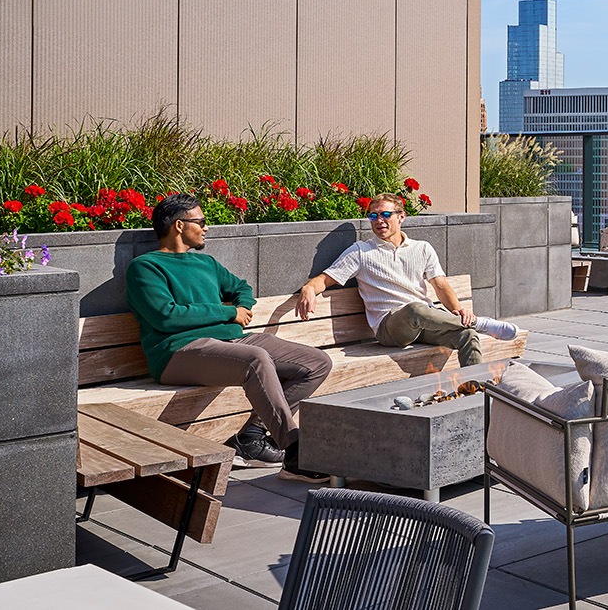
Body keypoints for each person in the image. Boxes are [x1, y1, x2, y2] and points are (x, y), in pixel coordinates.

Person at [125, 194, 332, 482]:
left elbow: (242, 288)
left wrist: (240, 308)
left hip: (231, 343)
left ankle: (251, 436)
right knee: (257, 359)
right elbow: (166, 316)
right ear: (180, 225)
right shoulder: (145, 268)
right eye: (201, 221)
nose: (206, 227)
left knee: (317, 362)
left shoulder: (206, 263)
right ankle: (296, 452)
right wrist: (226, 313)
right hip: (178, 352)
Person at [296, 194, 519, 368]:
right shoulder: (361, 252)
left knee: (467, 337)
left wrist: (458, 309)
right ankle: (480, 324)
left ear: (401, 216)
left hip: (425, 322)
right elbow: (324, 279)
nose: (379, 221)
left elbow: (440, 284)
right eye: (373, 216)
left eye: (385, 215)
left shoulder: (421, 248)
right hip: (390, 327)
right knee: (415, 309)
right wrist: (308, 288)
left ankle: (477, 394)